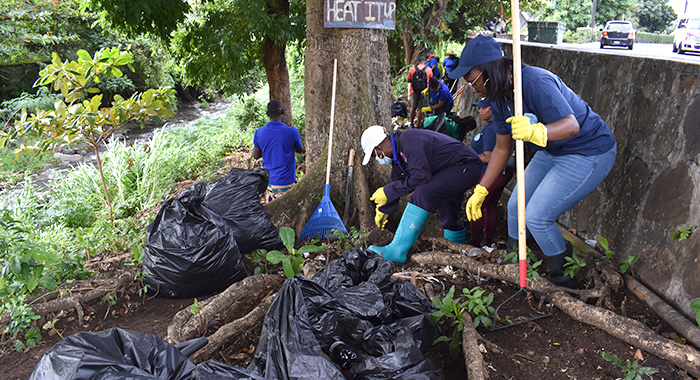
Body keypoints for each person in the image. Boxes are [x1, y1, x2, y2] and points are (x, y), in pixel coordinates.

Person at [448, 35, 617, 288]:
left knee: (537, 216)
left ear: (489, 71)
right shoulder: (499, 97)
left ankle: (565, 279)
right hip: (552, 151)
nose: (472, 87)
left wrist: (538, 132)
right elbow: (502, 149)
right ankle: (516, 261)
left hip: (588, 150)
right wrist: (482, 188)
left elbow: (571, 126)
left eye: (472, 80)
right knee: (516, 206)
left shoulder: (534, 81)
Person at [360, 125, 482, 263]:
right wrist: (384, 210)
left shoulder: (408, 139)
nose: (378, 158)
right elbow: (396, 182)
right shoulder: (398, 157)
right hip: (450, 170)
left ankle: (397, 250)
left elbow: (420, 177)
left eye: (375, 154)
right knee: (446, 208)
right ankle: (455, 248)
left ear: (379, 147)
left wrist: (387, 191)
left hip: (466, 165)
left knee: (423, 193)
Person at [468, 97, 513, 249]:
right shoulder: (492, 127)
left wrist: (467, 156)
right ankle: (488, 241)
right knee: (491, 205)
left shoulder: (493, 129)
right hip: (503, 173)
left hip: (493, 173)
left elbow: (488, 157)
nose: (479, 111)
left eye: (483, 108)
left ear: (492, 109)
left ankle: (474, 242)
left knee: (477, 204)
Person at [253, 100, 304, 203]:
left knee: (273, 211)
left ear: (267, 114)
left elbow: (256, 155)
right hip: (288, 182)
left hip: (270, 183)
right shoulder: (292, 132)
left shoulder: (259, 132)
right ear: (282, 112)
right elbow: (300, 150)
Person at [407, 56, 433, 128]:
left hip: (414, 91)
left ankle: (411, 123)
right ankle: (418, 125)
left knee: (413, 107)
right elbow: (431, 80)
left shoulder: (412, 69)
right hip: (424, 92)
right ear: (425, 62)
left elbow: (409, 80)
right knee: (420, 109)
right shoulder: (428, 69)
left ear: (418, 61)